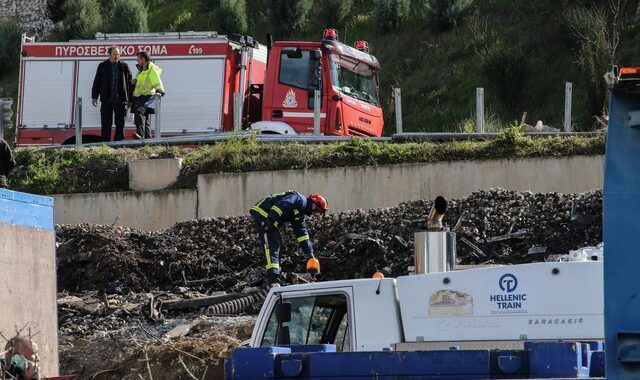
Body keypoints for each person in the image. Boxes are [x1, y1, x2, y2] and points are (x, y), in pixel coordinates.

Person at [250, 191, 328, 285]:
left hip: (269, 217)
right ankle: (273, 277)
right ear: (315, 204)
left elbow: (302, 234)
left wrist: (310, 253)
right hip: (263, 212)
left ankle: (276, 274)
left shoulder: (300, 213)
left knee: (278, 244)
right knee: (272, 244)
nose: (315, 213)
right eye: (318, 210)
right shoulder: (299, 199)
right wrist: (270, 221)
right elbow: (280, 205)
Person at [91, 46, 133, 142]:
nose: (116, 56)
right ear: (109, 54)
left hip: (121, 100)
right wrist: (94, 97)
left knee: (120, 124)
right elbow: (97, 81)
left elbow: (130, 83)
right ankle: (105, 144)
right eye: (114, 54)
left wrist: (130, 99)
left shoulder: (124, 66)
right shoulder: (103, 65)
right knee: (106, 123)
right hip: (107, 100)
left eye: (118, 54)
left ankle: (119, 143)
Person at [131, 51, 165, 139]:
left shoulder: (151, 69)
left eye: (138, 59)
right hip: (140, 97)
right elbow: (140, 81)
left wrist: (160, 91)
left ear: (143, 59)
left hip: (147, 96)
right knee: (145, 119)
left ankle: (140, 135)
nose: (137, 61)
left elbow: (157, 81)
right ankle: (147, 139)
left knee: (138, 112)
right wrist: (134, 81)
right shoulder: (141, 69)